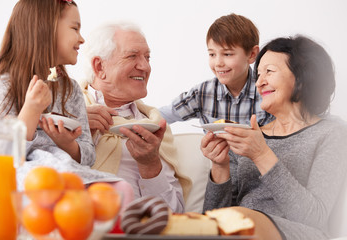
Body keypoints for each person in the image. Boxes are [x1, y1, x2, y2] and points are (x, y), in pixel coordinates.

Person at [201, 35, 347, 240]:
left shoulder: (330, 133)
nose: (259, 83)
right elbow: (212, 218)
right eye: (258, 75)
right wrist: (219, 166)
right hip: (239, 229)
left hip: (295, 232)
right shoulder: (247, 135)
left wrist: (262, 155)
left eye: (269, 72)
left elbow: (314, 218)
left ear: (302, 77)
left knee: (239, 222)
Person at [0, 0, 133, 199]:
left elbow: (88, 156)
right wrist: (30, 110)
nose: (82, 39)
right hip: (25, 178)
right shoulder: (4, 85)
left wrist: (68, 144)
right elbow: (2, 156)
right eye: (75, 28)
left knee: (122, 190)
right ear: (44, 29)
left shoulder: (70, 90)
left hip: (67, 172)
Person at [80, 22, 191, 213]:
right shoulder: (65, 111)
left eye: (147, 57)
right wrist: (79, 135)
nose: (145, 66)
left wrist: (150, 166)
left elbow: (174, 214)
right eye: (132, 56)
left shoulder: (154, 126)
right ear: (99, 67)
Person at [159, 13, 274, 126]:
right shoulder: (202, 93)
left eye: (227, 54)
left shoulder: (269, 92)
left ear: (252, 54)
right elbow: (162, 116)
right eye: (212, 54)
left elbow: (285, 137)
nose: (218, 63)